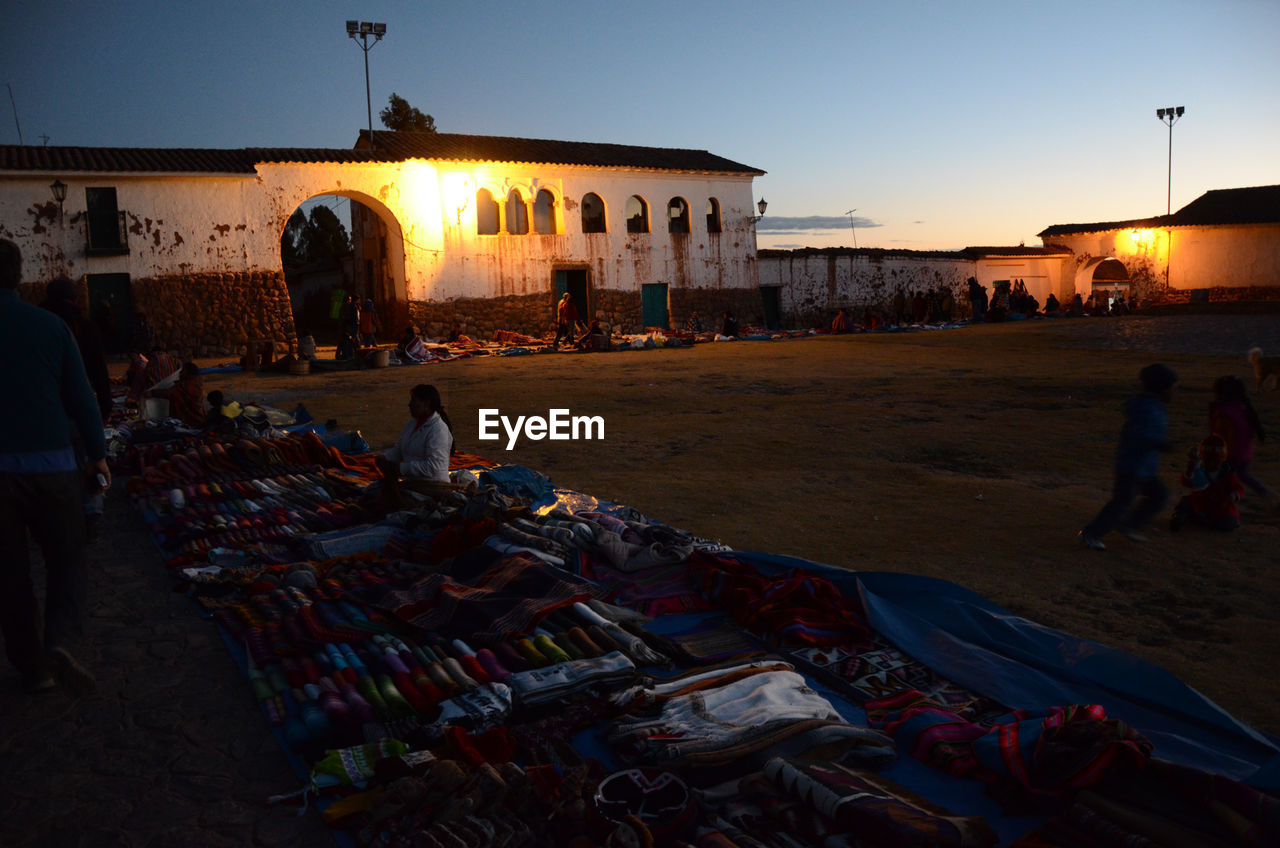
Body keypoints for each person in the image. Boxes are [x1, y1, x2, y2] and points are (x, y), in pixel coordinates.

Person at [0, 238, 106, 695]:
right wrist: (98, 455)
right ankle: (61, 640)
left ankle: (33, 667)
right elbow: (82, 399)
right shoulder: (50, 327)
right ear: (19, 275)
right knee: (67, 557)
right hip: (54, 468)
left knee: (9, 574)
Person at [1079, 363, 1179, 550]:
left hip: (1144, 467)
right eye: (1173, 388)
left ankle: (1131, 525)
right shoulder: (1146, 408)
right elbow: (1138, 434)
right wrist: (1158, 443)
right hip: (1132, 466)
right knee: (1121, 503)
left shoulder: (1153, 406)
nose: (1175, 393)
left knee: (1158, 495)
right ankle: (1091, 533)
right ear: (1163, 388)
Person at [377, 384, 455, 507]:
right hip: (412, 482)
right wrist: (385, 458)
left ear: (426, 404)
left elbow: (434, 466)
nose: (410, 404)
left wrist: (401, 468)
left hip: (432, 486)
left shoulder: (438, 429)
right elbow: (399, 449)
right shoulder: (411, 424)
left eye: (414, 401)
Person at [1209, 375, 1271, 498]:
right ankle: (1266, 494)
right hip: (1244, 453)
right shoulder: (1243, 408)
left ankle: (1209, 501)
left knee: (1217, 480)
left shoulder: (1225, 413)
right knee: (1243, 475)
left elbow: (1223, 435)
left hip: (1232, 454)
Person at [1170, 435, 1244, 532]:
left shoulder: (1227, 474)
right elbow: (1187, 482)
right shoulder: (1199, 470)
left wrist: (1234, 495)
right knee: (1186, 502)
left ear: (1221, 461)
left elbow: (1238, 487)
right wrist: (1190, 471)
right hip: (1200, 503)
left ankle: (1203, 521)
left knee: (1228, 521)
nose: (1212, 464)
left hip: (1220, 507)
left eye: (1215, 461)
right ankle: (1181, 517)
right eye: (1209, 461)